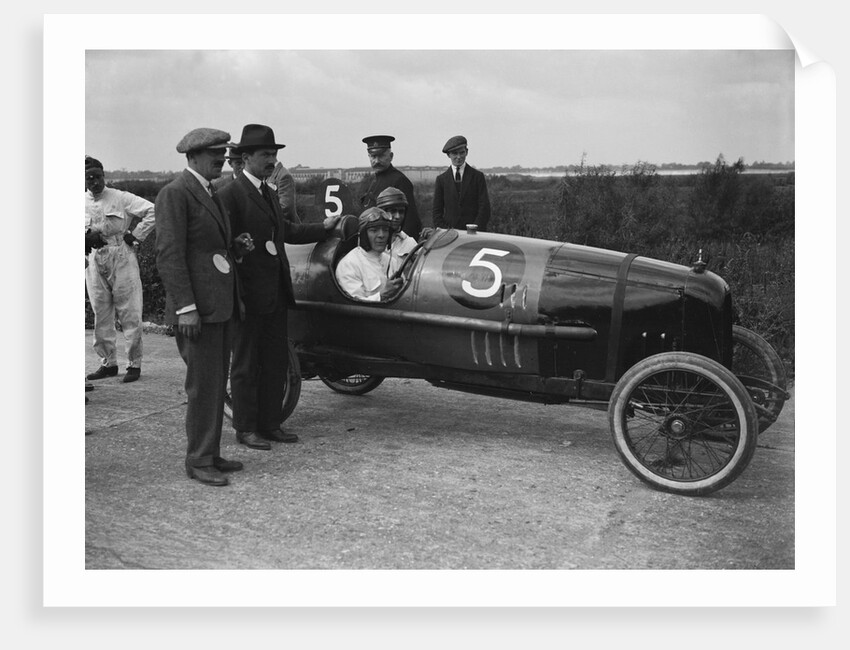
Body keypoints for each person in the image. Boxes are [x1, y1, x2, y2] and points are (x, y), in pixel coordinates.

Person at [219, 124, 340, 451]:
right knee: (246, 364)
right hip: (247, 296)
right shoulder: (230, 195)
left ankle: (271, 424)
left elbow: (285, 231)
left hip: (275, 292)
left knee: (274, 361)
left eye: (274, 155)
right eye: (266, 155)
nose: (272, 160)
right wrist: (236, 291)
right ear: (245, 158)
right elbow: (223, 244)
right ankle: (246, 428)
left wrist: (324, 229)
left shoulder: (269, 192)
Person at [155, 127, 255, 487]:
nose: (222, 158)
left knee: (215, 383)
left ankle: (210, 453)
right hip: (198, 310)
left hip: (220, 306)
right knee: (202, 386)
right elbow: (168, 255)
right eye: (214, 152)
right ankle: (198, 459)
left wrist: (236, 249)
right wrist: (186, 308)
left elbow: (207, 248)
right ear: (193, 156)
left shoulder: (209, 192)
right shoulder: (175, 194)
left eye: (223, 152)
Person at [84, 155, 156, 383]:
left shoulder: (120, 198)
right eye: (88, 177)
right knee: (101, 312)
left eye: (97, 176)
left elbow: (153, 211)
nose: (94, 181)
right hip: (94, 258)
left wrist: (136, 235)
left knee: (130, 311)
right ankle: (108, 363)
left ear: (104, 176)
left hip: (121, 255)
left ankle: (134, 364)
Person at [357, 135, 422, 238]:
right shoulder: (370, 181)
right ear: (369, 157)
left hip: (390, 244)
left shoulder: (400, 180)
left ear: (391, 156)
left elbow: (411, 221)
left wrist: (403, 249)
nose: (377, 161)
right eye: (373, 157)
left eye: (381, 156)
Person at [335, 207, 403, 302]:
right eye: (374, 230)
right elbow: (353, 306)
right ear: (363, 235)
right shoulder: (349, 264)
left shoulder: (393, 261)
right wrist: (381, 296)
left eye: (385, 230)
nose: (381, 235)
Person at [432, 135, 491, 231]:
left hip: (475, 235)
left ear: (467, 152)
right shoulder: (441, 180)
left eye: (462, 152)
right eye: (455, 153)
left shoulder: (478, 177)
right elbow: (436, 212)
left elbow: (484, 208)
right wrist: (447, 231)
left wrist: (474, 229)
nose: (458, 157)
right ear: (448, 155)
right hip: (449, 236)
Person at [375, 186, 419, 275]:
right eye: (393, 211)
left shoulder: (410, 243)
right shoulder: (370, 243)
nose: (398, 216)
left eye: (401, 212)